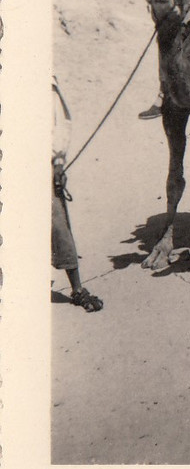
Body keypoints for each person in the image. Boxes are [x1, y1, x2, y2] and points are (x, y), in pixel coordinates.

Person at [52, 78, 103, 312]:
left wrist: (58, 162)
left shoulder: (44, 83)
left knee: (58, 225)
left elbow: (61, 123)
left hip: (37, 163)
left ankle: (77, 288)